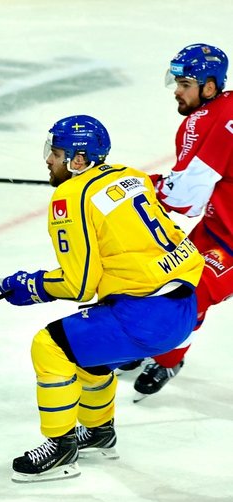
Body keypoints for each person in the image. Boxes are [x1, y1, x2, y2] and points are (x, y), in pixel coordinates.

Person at [0, 115, 203, 482]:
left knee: (50, 345)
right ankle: (97, 432)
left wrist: (32, 285)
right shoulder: (133, 177)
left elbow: (79, 284)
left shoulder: (68, 197)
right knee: (89, 347)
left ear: (79, 161)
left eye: (56, 153)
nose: (49, 160)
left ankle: (60, 448)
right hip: (184, 307)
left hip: (145, 316)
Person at [128, 43, 233, 400]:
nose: (177, 90)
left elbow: (186, 199)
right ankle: (152, 341)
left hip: (229, 239)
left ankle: (168, 357)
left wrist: (147, 189)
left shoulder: (205, 122)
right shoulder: (223, 109)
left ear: (209, 85)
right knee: (166, 276)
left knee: (190, 292)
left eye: (185, 83)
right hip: (217, 228)